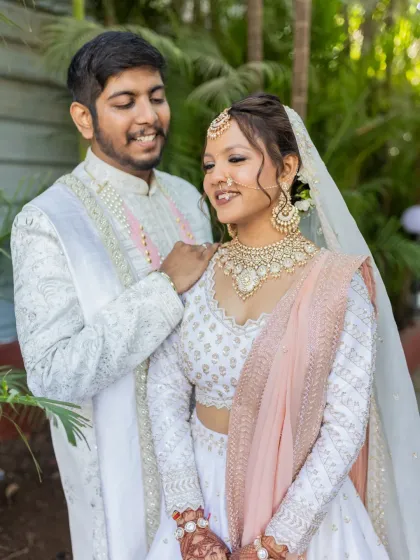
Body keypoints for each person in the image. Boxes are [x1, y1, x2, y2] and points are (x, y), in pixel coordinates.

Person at [147, 94, 420, 560]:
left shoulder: (336, 285)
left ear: (287, 168)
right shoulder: (196, 272)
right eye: (209, 164)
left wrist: (277, 542)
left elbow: (343, 426)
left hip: (303, 510)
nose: (216, 177)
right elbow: (165, 393)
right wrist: (190, 522)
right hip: (199, 503)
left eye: (236, 159)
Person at [10, 31, 216, 560]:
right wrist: (164, 288)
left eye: (156, 96)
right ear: (84, 118)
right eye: (124, 102)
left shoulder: (189, 199)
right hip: (120, 480)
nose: (148, 115)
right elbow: (53, 374)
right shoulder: (48, 221)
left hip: (211, 458)